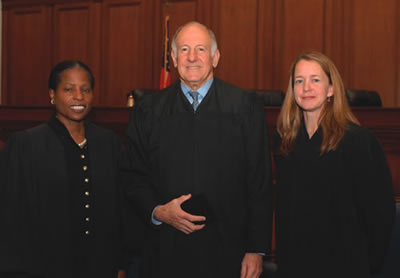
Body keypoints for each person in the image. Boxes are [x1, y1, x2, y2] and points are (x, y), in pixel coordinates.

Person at [123, 21, 273, 278]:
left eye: (201, 49)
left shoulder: (245, 107)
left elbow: (259, 181)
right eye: (184, 50)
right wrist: (158, 211)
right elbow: (133, 175)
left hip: (228, 252)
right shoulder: (147, 110)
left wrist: (256, 249)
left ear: (215, 58)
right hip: (164, 250)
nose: (192, 57)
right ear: (172, 57)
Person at [274, 51, 396, 278]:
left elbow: (380, 215)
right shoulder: (284, 143)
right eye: (299, 81)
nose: (306, 88)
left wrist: (366, 266)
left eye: (315, 80)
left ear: (331, 89)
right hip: (295, 266)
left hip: (346, 267)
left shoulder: (358, 141)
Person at [0, 60, 124, 278]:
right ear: (52, 95)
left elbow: (119, 210)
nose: (78, 96)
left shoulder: (109, 143)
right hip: (43, 267)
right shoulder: (26, 145)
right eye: (69, 89)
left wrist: (120, 264)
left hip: (99, 266)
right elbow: (11, 216)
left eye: (85, 89)